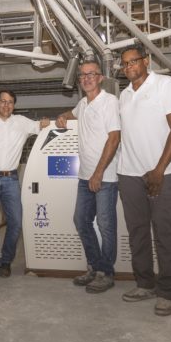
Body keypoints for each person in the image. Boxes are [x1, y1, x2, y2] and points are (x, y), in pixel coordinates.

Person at [117, 44, 171, 316]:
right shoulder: (123, 95)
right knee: (137, 232)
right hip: (129, 174)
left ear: (146, 61)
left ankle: (167, 291)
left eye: (133, 61)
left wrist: (158, 169)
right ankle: (144, 283)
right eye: (125, 64)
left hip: (162, 173)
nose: (129, 67)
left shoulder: (164, 85)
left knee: (165, 231)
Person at [56, 59, 121, 294]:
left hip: (105, 176)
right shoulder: (83, 104)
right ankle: (95, 266)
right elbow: (71, 114)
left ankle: (107, 272)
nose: (86, 78)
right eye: (82, 75)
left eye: (91, 74)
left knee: (105, 224)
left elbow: (114, 138)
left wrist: (98, 173)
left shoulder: (110, 102)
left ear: (100, 77)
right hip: (85, 176)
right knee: (81, 221)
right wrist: (63, 117)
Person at [0, 90, 50, 279]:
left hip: (10, 180)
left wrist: (49, 121)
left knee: (15, 222)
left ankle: (6, 261)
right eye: (3, 101)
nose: (6, 105)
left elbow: (42, 126)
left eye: (10, 102)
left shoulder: (21, 122)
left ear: (14, 105)